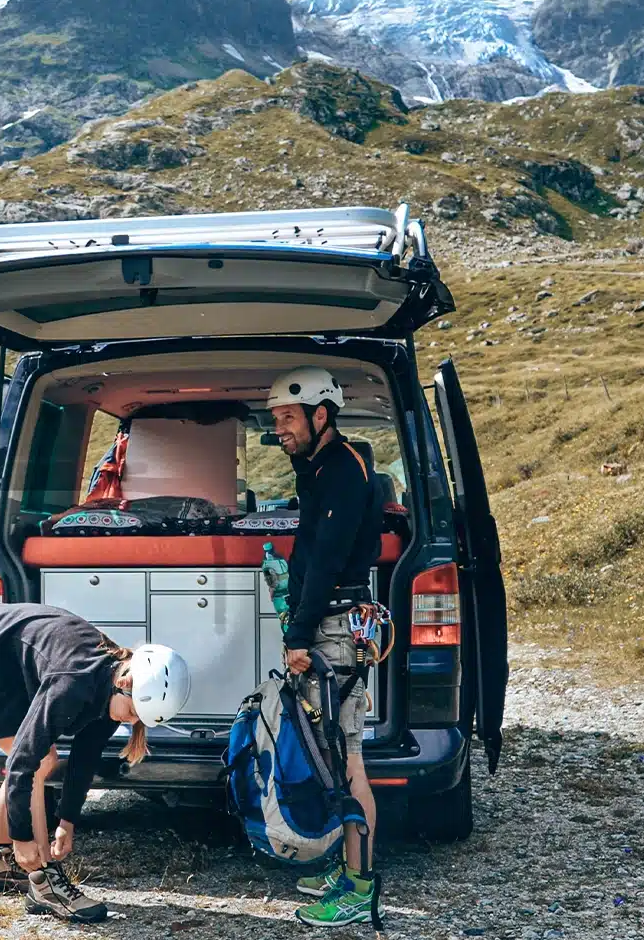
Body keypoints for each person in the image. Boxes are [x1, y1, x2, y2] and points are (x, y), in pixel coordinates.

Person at [0, 603, 190, 922]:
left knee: (40, 757)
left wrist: (67, 821)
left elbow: (86, 756)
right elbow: (22, 763)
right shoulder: (74, 681)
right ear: (125, 683)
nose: (130, 721)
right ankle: (46, 885)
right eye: (132, 712)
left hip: (2, 655)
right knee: (41, 760)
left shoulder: (110, 685)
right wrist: (23, 839)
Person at [266, 365, 386, 928]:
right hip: (329, 621)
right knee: (330, 757)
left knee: (346, 758)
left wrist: (297, 635)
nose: (279, 429)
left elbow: (327, 561)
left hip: (335, 628)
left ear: (321, 415)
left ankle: (360, 887)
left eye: (288, 418)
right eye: (275, 420)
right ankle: (346, 869)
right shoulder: (319, 466)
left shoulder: (340, 470)